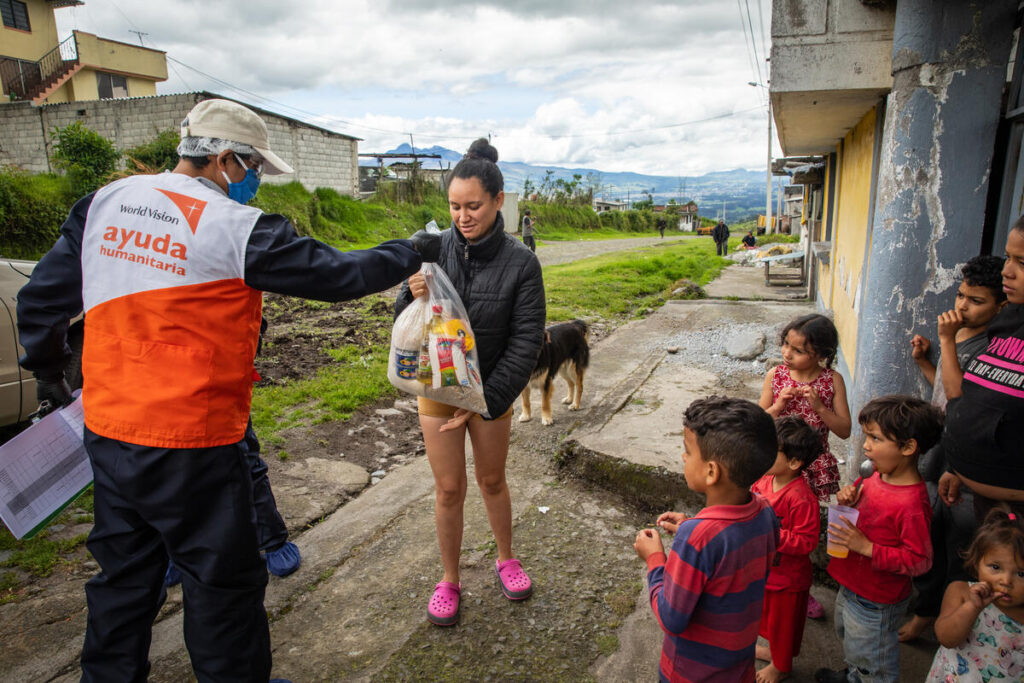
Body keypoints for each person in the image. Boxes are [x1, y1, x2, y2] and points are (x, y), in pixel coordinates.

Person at [16, 98, 440, 682]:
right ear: (225, 161)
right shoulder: (234, 228)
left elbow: (40, 300)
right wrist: (411, 250)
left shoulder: (104, 204)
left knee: (122, 579)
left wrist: (50, 374)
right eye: (254, 170)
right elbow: (338, 275)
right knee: (222, 583)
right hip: (195, 441)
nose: (256, 183)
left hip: (109, 433)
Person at [395, 138, 545, 627]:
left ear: (499, 201)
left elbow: (526, 343)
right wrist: (408, 291)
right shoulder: (433, 250)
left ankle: (506, 558)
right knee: (448, 489)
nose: (463, 216)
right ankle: (450, 579)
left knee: (492, 480)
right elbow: (407, 323)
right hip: (437, 391)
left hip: (492, 393)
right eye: (455, 206)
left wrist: (485, 402)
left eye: (473, 206)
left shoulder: (522, 263)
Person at [634, 396, 779, 683]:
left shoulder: (697, 538)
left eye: (688, 452)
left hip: (690, 674)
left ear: (711, 472)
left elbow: (670, 617)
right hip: (739, 666)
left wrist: (654, 559)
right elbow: (736, 554)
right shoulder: (765, 510)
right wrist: (692, 525)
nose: (683, 458)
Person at [901, 255, 1006, 642]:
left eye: (975, 300)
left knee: (959, 539)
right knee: (929, 527)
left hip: (964, 455)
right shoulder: (961, 334)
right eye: (961, 295)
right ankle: (928, 607)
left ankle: (947, 614)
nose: (962, 306)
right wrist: (925, 361)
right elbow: (944, 389)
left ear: (1002, 305)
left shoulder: (993, 345)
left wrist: (945, 341)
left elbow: (962, 395)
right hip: (941, 449)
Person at [814, 395, 943, 683]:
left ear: (908, 447)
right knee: (851, 641)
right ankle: (853, 675)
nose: (865, 446)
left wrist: (867, 547)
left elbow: (920, 561)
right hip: (852, 584)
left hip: (877, 599)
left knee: (874, 662)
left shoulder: (912, 505)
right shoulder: (875, 477)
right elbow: (865, 516)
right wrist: (848, 499)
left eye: (875, 438)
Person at [940, 216, 1024, 522]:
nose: (1007, 271)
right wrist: (957, 467)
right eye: (1009, 257)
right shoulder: (1010, 320)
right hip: (985, 499)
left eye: (1022, 262)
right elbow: (976, 399)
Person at [752, 416, 823, 683]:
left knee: (783, 626)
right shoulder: (764, 480)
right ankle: (774, 652)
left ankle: (781, 666)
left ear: (794, 463)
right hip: (766, 571)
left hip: (788, 579)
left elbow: (806, 542)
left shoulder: (801, 498)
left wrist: (769, 531)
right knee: (768, 618)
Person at [926, 506, 1024, 682]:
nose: (1006, 581)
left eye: (1021, 574)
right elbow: (946, 638)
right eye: (995, 567)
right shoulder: (961, 591)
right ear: (977, 562)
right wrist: (971, 607)